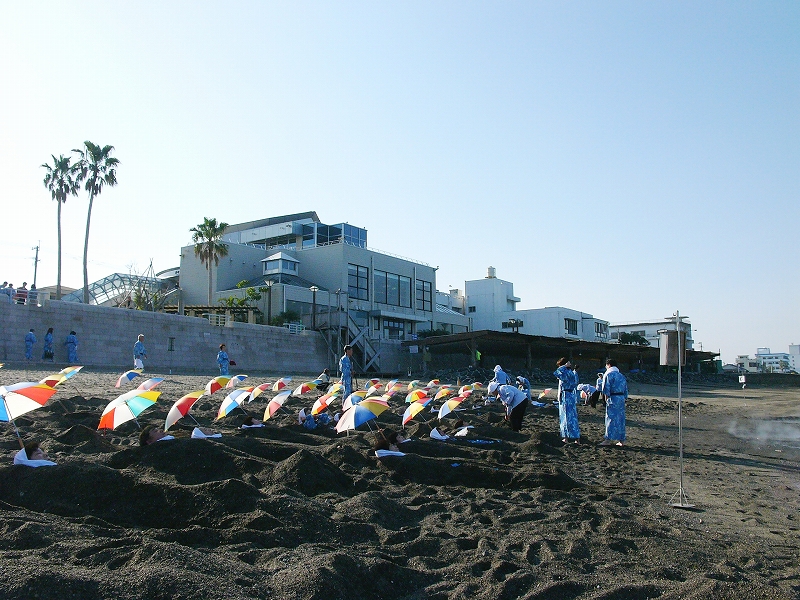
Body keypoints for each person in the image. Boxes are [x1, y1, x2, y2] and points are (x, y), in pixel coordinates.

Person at [600, 358, 628, 447]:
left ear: (608, 365)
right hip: (621, 398)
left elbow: (606, 389)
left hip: (613, 397)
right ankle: (621, 440)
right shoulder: (621, 375)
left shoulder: (608, 374)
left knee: (610, 418)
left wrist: (605, 400)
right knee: (621, 419)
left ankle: (608, 439)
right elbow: (625, 389)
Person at [554, 357, 580, 443]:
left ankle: (566, 437)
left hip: (565, 395)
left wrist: (563, 366)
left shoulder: (565, 372)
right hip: (571, 395)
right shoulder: (571, 373)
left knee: (565, 416)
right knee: (573, 416)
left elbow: (556, 372)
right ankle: (576, 438)